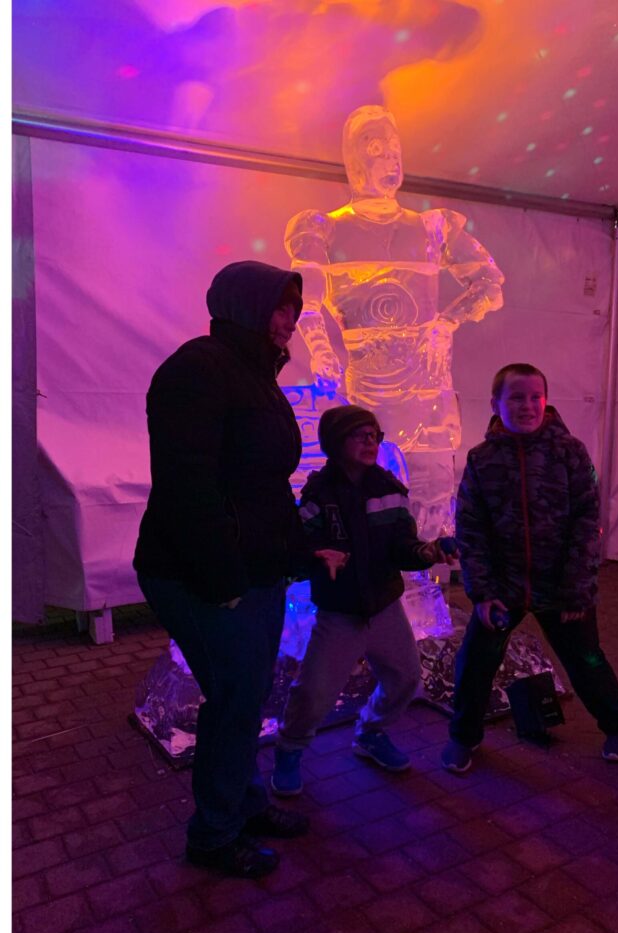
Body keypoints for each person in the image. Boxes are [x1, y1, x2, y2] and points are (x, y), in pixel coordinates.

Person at [134, 260, 345, 879]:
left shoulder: (256, 375)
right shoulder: (197, 370)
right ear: (244, 305)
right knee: (234, 700)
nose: (289, 321)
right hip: (201, 575)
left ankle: (243, 804)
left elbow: (265, 490)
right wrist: (223, 581)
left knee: (246, 698)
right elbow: (188, 489)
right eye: (279, 307)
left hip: (251, 574)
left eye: (294, 310)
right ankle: (214, 835)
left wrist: (298, 556)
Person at [284, 104, 504, 539]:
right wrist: (321, 348)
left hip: (428, 390)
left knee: (431, 501)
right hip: (368, 394)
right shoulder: (325, 229)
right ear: (354, 159)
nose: (390, 160)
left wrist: (447, 322)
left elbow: (489, 282)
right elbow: (305, 298)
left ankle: (424, 574)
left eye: (395, 150)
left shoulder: (432, 228)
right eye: (376, 149)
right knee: (366, 499)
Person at [441, 363, 618, 773]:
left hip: (562, 588)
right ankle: (463, 737)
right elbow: (471, 529)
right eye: (516, 397)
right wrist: (483, 592)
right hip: (504, 589)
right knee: (475, 662)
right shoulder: (482, 460)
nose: (527, 405)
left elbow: (587, 522)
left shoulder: (570, 453)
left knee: (587, 661)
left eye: (536, 397)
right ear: (496, 404)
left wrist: (577, 590)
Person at [272, 404, 454, 796]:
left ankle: (371, 732)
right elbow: (297, 550)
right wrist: (315, 558)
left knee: (405, 678)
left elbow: (403, 547)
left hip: (385, 607)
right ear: (336, 442)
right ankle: (289, 749)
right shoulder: (318, 496)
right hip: (339, 613)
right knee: (314, 692)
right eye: (360, 434)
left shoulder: (390, 490)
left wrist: (428, 552)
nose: (371, 441)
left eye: (374, 435)